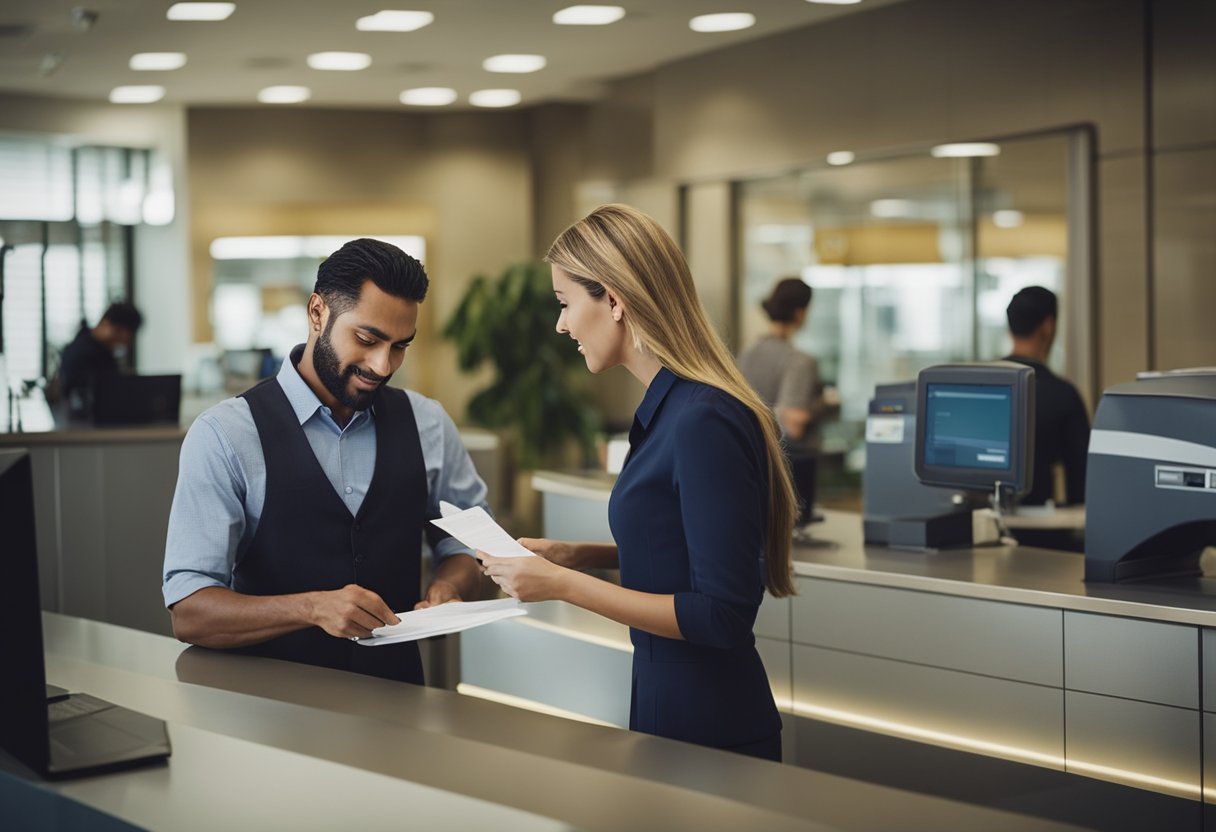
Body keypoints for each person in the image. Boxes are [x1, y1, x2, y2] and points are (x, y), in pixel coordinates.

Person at [479, 204, 797, 761]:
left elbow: (720, 614)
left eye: (565, 303)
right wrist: (576, 555)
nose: (561, 324)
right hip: (668, 704)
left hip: (713, 726)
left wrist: (560, 584)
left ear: (615, 300)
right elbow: (676, 550)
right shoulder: (669, 409)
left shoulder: (701, 418)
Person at [162, 238, 487, 684]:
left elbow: (467, 545)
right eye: (367, 339)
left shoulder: (428, 423)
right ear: (317, 312)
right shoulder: (224, 435)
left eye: (399, 346)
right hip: (265, 715)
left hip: (399, 708)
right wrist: (310, 607)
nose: (382, 364)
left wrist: (452, 586)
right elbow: (190, 612)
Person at [737, 277, 835, 526]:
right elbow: (794, 422)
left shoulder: (745, 355)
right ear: (801, 312)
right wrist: (824, 404)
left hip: (747, 476)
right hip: (786, 479)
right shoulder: (799, 361)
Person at [1002, 285, 1090, 506]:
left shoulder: (984, 384)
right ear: (1049, 326)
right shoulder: (1063, 395)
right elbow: (1082, 484)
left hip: (978, 525)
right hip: (1041, 534)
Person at [52, 301, 143, 422]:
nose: (122, 342)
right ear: (106, 323)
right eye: (119, 334)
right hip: (81, 423)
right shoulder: (81, 351)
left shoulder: (103, 351)